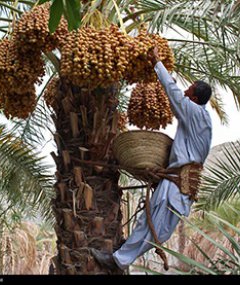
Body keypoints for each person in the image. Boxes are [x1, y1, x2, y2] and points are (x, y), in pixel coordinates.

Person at [91, 46, 213, 271]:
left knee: (157, 226)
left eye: (189, 91)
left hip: (177, 184)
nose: (185, 93)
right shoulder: (202, 119)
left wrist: (157, 63)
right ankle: (121, 256)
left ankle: (118, 260)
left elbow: (172, 92)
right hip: (175, 182)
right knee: (151, 223)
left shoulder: (194, 112)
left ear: (195, 98)